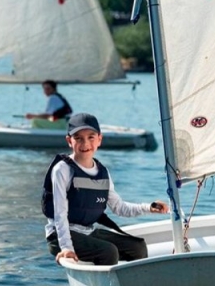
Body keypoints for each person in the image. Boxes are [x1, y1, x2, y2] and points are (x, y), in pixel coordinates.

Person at [42, 112, 170, 266]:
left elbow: (120, 208)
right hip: (59, 235)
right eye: (78, 138)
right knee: (108, 251)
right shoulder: (62, 169)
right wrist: (66, 248)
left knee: (137, 247)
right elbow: (60, 214)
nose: (85, 144)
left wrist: (149, 207)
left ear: (99, 140)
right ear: (69, 141)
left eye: (91, 137)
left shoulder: (103, 173)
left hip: (87, 231)